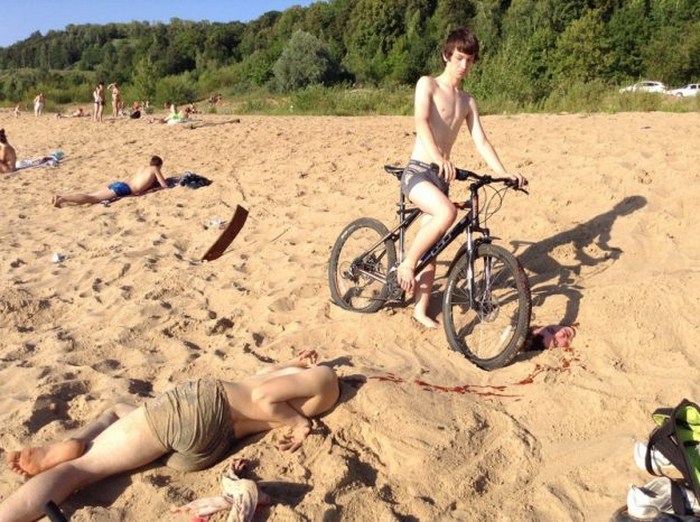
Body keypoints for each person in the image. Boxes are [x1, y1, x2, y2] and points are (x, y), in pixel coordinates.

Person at [0, 350, 339, 522]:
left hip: (201, 408)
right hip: (212, 441)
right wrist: (289, 364)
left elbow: (264, 396)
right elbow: (263, 385)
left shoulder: (324, 378)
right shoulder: (312, 389)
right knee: (117, 410)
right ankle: (82, 439)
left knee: (78, 469)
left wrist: (299, 423)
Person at [396, 28, 527, 329]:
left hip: (441, 178)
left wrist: (502, 172)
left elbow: (481, 140)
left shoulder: (467, 101)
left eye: (469, 60)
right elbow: (421, 122)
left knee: (433, 245)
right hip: (419, 171)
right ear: (446, 56)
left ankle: (420, 309)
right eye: (458, 58)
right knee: (447, 213)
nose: (463, 65)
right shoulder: (428, 84)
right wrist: (439, 158)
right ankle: (406, 263)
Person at [52, 155, 169, 207]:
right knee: (93, 198)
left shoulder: (143, 167)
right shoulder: (155, 169)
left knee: (91, 195)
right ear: (159, 165)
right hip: (124, 189)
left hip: (121, 184)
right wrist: (155, 188)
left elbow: (142, 181)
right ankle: (62, 198)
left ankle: (62, 198)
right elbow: (164, 185)